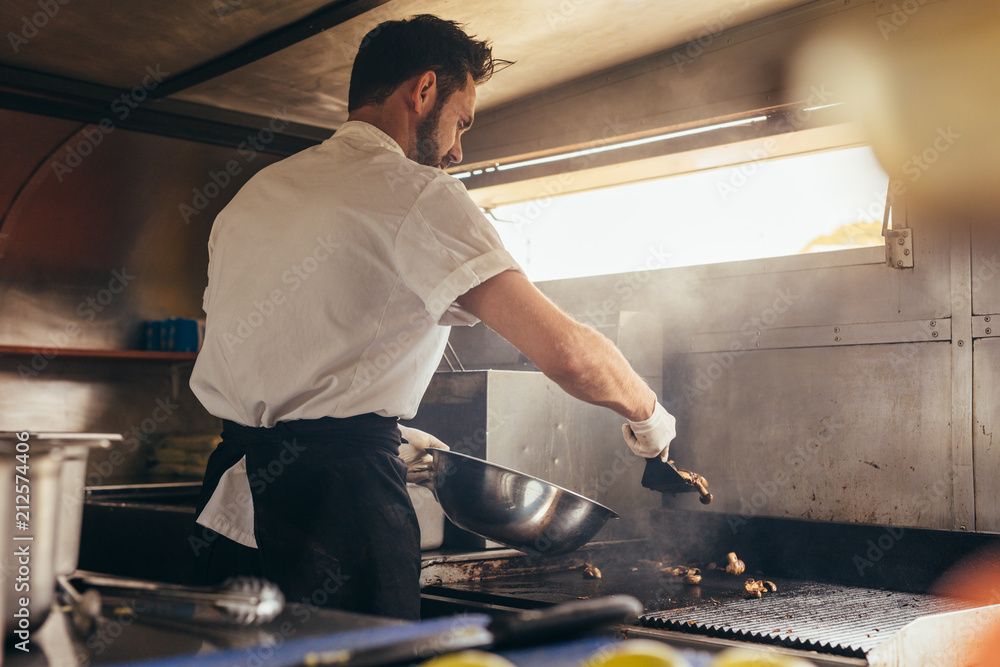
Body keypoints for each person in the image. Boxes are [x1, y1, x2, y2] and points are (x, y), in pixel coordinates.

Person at [189, 14, 676, 620]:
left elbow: (285, 350)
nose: (457, 149)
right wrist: (650, 417)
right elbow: (569, 355)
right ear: (423, 92)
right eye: (461, 121)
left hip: (227, 510)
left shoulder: (253, 195)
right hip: (342, 514)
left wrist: (371, 425)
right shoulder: (419, 193)